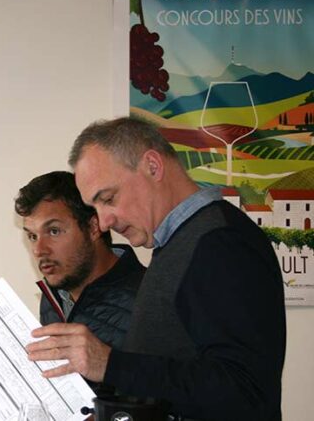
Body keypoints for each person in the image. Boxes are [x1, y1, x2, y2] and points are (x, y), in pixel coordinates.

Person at [26, 117, 286, 420]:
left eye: (108, 199)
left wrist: (110, 364)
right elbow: (170, 380)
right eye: (95, 207)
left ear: (152, 166)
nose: (105, 221)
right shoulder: (180, 243)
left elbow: (245, 392)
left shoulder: (220, 242)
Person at [14, 171, 144, 349]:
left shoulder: (149, 299)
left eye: (54, 231)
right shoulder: (52, 299)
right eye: (32, 236)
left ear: (93, 227)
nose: (38, 250)